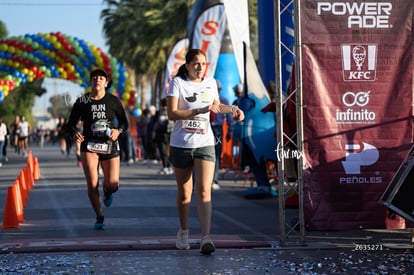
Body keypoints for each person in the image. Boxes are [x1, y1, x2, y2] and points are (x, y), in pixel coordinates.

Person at [167, 49, 245, 255]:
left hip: (205, 142)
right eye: (195, 63)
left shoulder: (210, 83)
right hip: (181, 144)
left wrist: (234, 110)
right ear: (187, 65)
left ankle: (205, 238)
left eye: (203, 63)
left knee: (204, 190)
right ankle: (183, 232)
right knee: (185, 194)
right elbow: (171, 113)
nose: (200, 67)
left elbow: (216, 107)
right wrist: (198, 110)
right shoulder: (178, 83)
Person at [66, 68, 129, 230]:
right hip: (89, 145)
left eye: (101, 78)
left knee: (113, 184)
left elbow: (124, 123)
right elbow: (70, 124)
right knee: (92, 184)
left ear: (106, 83)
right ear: (90, 82)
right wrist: (75, 133)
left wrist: (118, 131)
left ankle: (108, 192)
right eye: (94, 77)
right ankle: (99, 216)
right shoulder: (82, 101)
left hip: (109, 144)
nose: (98, 80)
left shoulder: (113, 101)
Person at [211, 80, 233, 190]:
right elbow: (229, 118)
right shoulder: (212, 99)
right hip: (212, 129)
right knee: (214, 154)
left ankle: (214, 179)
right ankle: (211, 180)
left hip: (216, 129)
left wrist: (230, 130)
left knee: (215, 154)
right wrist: (230, 130)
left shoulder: (222, 100)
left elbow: (229, 116)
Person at [153, 98, 174, 175]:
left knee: (163, 151)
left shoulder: (159, 112)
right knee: (170, 151)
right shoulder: (171, 112)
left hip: (161, 134)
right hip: (171, 133)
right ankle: (170, 167)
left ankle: (166, 166)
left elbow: (154, 123)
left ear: (161, 104)